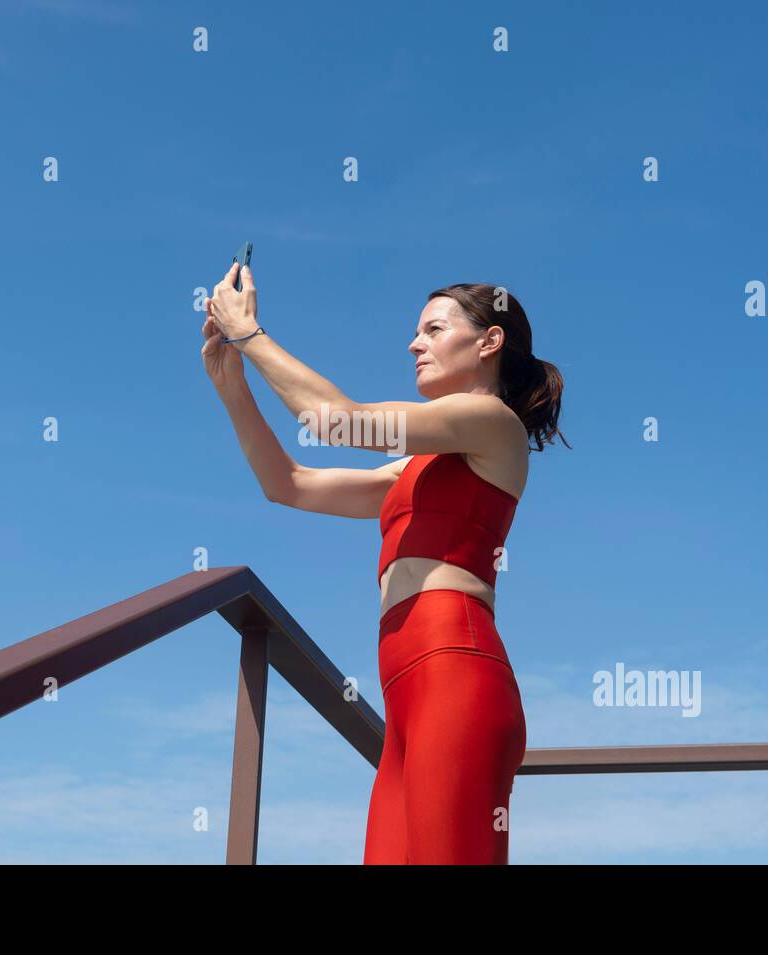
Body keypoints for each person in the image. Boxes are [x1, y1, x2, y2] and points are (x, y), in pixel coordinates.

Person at [202, 261, 568, 864]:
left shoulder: (491, 424)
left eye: (432, 329)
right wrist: (232, 384)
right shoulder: (418, 466)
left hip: (456, 674)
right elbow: (287, 483)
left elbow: (337, 421)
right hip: (404, 696)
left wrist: (250, 334)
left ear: (488, 341)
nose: (413, 343)